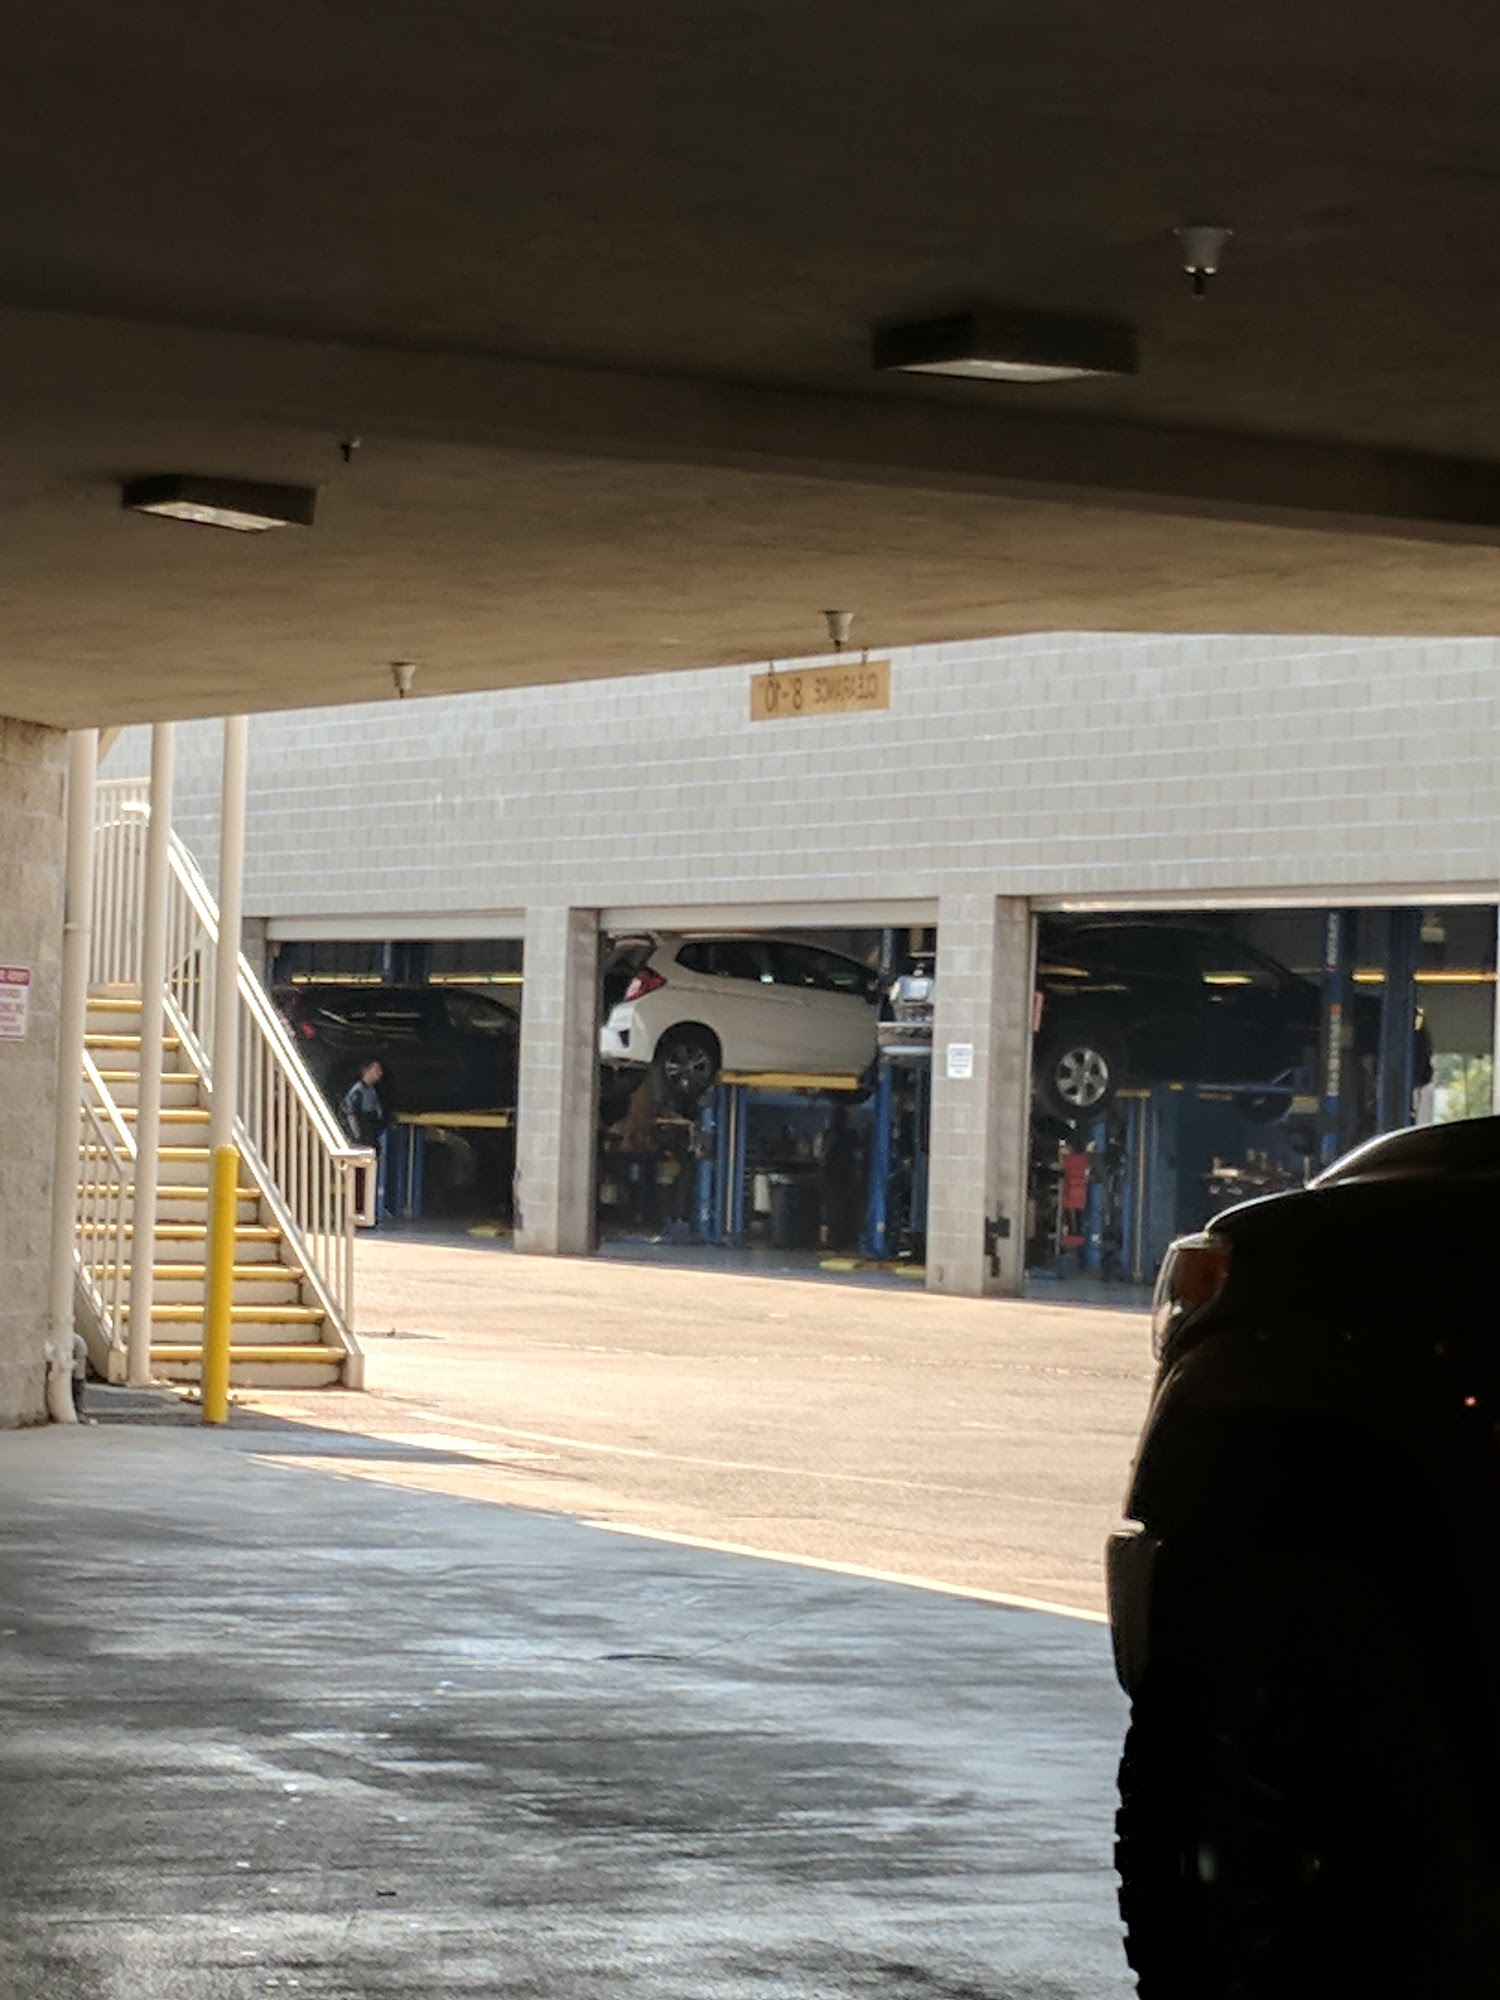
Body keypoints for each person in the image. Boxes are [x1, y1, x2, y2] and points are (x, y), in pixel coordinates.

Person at [340, 1058, 388, 1147]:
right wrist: (358, 1138)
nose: (380, 1073)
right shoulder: (357, 1091)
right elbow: (352, 1115)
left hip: (372, 1135)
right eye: (376, 1069)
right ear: (366, 1070)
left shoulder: (373, 1090)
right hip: (363, 1136)